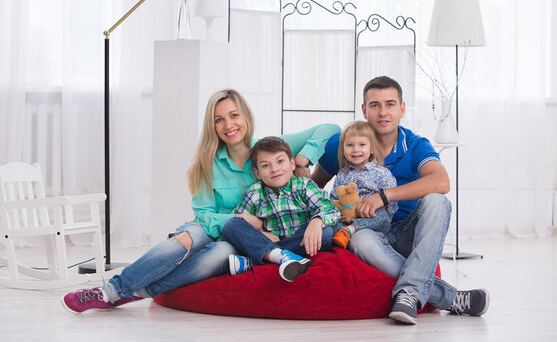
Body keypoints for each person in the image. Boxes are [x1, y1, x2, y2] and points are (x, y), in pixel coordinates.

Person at [61, 89, 340, 314]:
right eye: (219, 119)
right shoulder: (207, 162)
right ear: (213, 125)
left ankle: (137, 291)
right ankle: (108, 290)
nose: (229, 125)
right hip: (212, 225)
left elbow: (330, 128)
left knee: (218, 256)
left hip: (242, 238)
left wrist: (303, 160)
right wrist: (241, 220)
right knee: (184, 240)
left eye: (234, 115)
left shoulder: (270, 148)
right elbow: (203, 214)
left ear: (245, 116)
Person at [312, 76, 490, 325]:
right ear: (364, 110)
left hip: (406, 232)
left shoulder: (414, 144)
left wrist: (383, 196)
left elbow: (442, 182)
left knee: (438, 202)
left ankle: (410, 292)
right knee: (360, 238)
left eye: (390, 104)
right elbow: (314, 186)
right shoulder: (346, 143)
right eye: (374, 105)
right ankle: (442, 297)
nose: (383, 112)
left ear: (402, 109)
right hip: (366, 232)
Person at [223, 136, 340, 282]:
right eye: (266, 165)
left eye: (280, 161)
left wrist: (316, 221)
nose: (275, 169)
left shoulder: (303, 185)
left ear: (292, 164)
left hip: (302, 241)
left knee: (327, 233)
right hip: (270, 241)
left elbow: (331, 210)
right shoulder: (255, 192)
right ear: (257, 173)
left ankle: (257, 259)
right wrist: (261, 233)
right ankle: (279, 256)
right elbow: (241, 221)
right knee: (231, 225)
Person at [329, 120, 397, 249]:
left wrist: (378, 209)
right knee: (333, 225)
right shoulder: (342, 175)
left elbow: (392, 202)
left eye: (362, 144)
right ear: (343, 148)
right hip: (348, 218)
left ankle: (351, 229)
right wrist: (339, 213)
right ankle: (344, 237)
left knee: (383, 217)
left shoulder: (381, 173)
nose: (356, 150)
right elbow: (334, 199)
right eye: (350, 145)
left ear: (371, 148)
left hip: (373, 220)